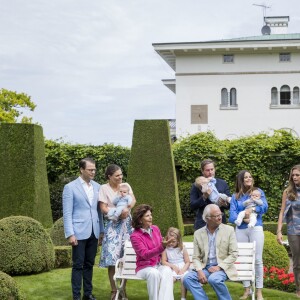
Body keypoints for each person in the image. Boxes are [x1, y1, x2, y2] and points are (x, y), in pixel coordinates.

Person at [63, 157, 104, 300]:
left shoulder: (98, 187)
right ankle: (76, 296)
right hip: (78, 233)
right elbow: (67, 213)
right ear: (81, 169)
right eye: (90, 169)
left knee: (89, 264)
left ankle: (87, 294)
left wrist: (101, 231)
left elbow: (99, 211)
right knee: (78, 265)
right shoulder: (70, 187)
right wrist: (70, 234)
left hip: (94, 231)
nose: (93, 172)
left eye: (94, 169)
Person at [183, 204, 238, 300]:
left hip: (223, 267)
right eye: (216, 216)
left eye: (220, 214)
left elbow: (234, 253)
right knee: (187, 278)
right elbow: (196, 257)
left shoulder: (229, 230)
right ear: (207, 218)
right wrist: (199, 271)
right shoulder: (198, 233)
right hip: (206, 267)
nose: (220, 217)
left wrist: (219, 267)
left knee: (214, 279)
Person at [229, 170, 268, 300]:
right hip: (240, 229)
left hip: (255, 227)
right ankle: (247, 290)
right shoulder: (235, 196)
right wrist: (244, 218)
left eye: (250, 177)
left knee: (257, 260)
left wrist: (253, 210)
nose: (249, 179)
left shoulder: (258, 192)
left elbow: (265, 207)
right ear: (241, 179)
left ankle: (259, 291)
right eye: (246, 177)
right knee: (243, 259)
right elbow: (232, 215)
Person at [99, 164, 136, 300]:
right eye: (117, 176)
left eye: (121, 174)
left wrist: (126, 208)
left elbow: (133, 200)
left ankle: (123, 289)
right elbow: (103, 207)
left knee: (126, 257)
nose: (120, 177)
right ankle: (114, 290)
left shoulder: (126, 185)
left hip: (127, 225)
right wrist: (115, 212)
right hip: (113, 225)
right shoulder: (104, 188)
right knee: (112, 258)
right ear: (109, 176)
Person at [130, 204, 175, 300]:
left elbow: (161, 246)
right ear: (140, 219)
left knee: (167, 270)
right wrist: (162, 246)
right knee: (153, 273)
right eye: (147, 216)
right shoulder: (135, 236)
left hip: (158, 265)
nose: (151, 217)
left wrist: (163, 247)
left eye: (150, 215)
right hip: (144, 267)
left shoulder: (155, 229)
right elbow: (145, 255)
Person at [277, 165, 300, 298]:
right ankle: (298, 289)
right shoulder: (288, 192)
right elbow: (282, 212)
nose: (295, 177)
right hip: (293, 231)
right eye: (293, 175)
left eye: (297, 175)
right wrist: (279, 231)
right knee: (297, 262)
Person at [190, 159, 231, 230]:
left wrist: (225, 204)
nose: (210, 172)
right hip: (203, 223)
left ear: (215, 169)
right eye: (207, 170)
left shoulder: (223, 183)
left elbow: (230, 204)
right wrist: (204, 197)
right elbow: (193, 205)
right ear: (202, 171)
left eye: (212, 169)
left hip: (220, 222)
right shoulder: (197, 185)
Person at [161, 227, 191, 300]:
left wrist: (183, 270)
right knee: (170, 280)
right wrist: (172, 266)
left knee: (184, 279)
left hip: (182, 268)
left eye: (173, 241)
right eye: (169, 241)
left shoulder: (182, 248)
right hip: (172, 268)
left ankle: (183, 298)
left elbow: (187, 262)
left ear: (178, 241)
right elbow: (163, 261)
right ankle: (169, 297)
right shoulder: (166, 249)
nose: (171, 243)